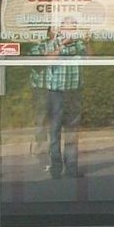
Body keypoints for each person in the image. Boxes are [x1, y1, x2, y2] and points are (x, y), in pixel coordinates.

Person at [35, 15, 85, 177]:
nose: (70, 32)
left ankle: (71, 168)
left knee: (72, 130)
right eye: (67, 28)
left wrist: (88, 42)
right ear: (61, 29)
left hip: (74, 91)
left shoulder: (80, 45)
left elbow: (92, 58)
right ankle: (56, 168)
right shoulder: (54, 43)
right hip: (56, 92)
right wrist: (62, 45)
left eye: (73, 28)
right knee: (55, 130)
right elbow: (47, 60)